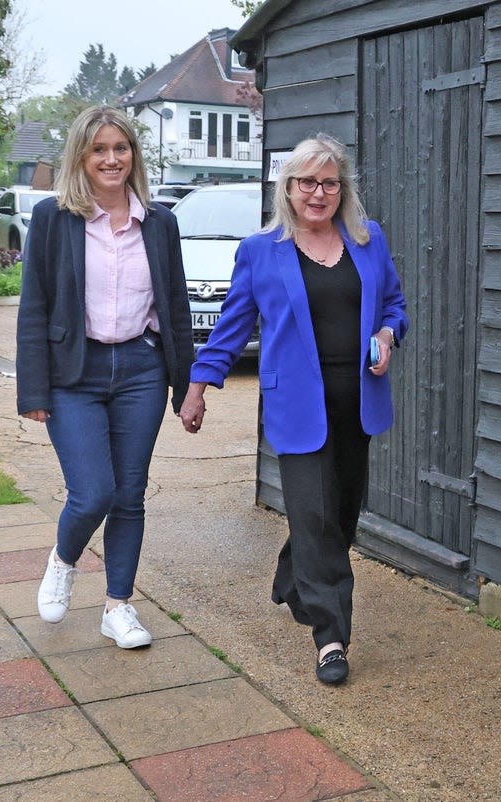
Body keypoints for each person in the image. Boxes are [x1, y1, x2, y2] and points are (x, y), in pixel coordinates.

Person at [179, 134, 408, 686]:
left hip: (357, 402)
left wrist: (387, 332)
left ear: (342, 188)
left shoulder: (367, 239)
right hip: (296, 404)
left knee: (339, 515)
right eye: (308, 182)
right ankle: (330, 636)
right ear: (289, 188)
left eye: (330, 182)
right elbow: (233, 324)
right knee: (314, 512)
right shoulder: (261, 250)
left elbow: (395, 304)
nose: (319, 193)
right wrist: (199, 383)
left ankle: (292, 573)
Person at [16, 105, 193, 648]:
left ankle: (119, 607)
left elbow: (176, 309)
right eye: (99, 150)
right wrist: (34, 389)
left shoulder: (160, 223)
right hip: (75, 372)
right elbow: (35, 307)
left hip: (140, 369)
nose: (112, 159)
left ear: (132, 155)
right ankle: (64, 558)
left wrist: (187, 389)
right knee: (93, 492)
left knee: (131, 494)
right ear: (82, 157)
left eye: (121, 148)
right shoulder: (53, 218)